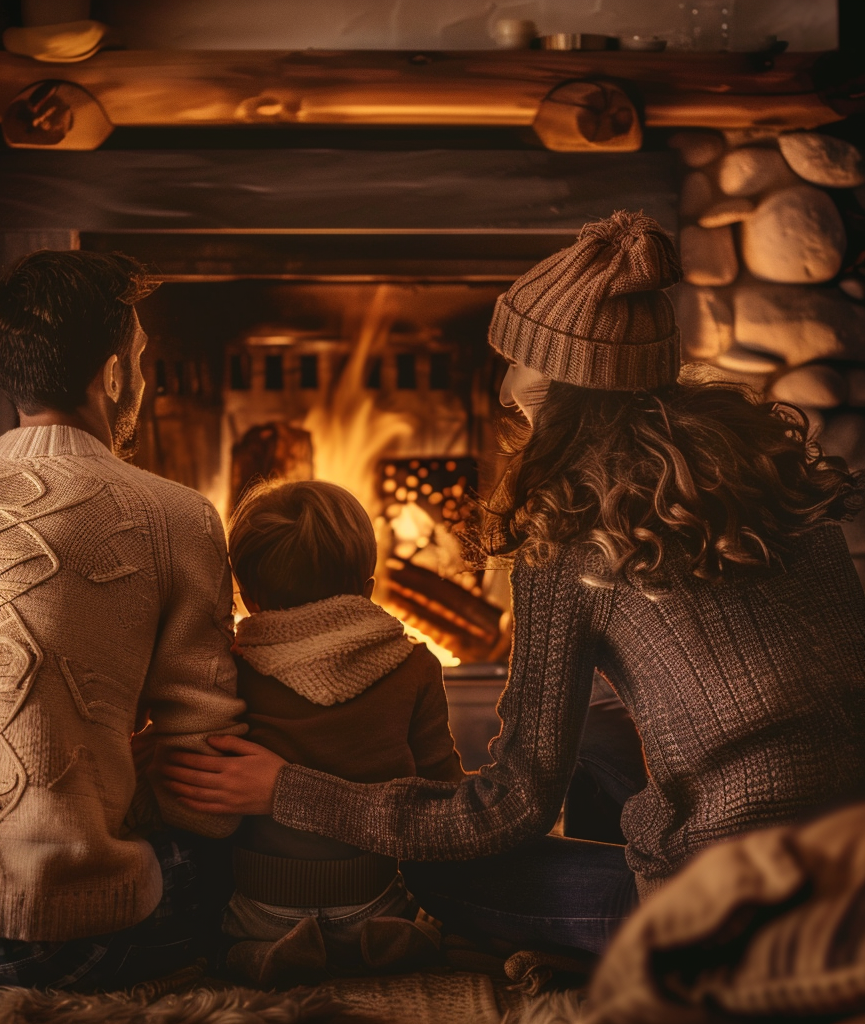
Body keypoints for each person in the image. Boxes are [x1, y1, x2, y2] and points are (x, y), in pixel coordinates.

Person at [160, 211, 865, 956]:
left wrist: (287, 791)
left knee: (438, 875)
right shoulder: (777, 475)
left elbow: (509, 810)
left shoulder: (574, 529)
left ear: (571, 393)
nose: (504, 390)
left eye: (524, 381)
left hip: (735, 917)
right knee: (593, 730)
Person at [0, 250, 245, 992]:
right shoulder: (175, 517)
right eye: (142, 361)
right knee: (234, 841)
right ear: (116, 375)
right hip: (63, 934)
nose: (143, 380)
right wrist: (121, 782)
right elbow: (205, 779)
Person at [221, 479, 462, 985]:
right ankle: (384, 935)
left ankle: (262, 953)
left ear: (247, 597)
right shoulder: (415, 665)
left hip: (263, 898)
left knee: (222, 935)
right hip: (369, 891)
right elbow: (442, 788)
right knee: (404, 912)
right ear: (370, 587)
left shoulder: (233, 671)